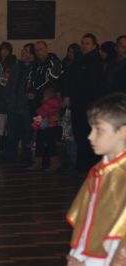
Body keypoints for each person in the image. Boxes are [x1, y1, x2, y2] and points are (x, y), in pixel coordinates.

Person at [66, 92, 126, 266]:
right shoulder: (100, 170)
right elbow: (88, 219)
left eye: (98, 130)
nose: (90, 136)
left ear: (122, 131)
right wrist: (78, 255)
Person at [63, 33, 103, 173]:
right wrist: (67, 94)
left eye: (87, 43)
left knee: (87, 136)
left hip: (88, 105)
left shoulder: (95, 62)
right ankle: (81, 166)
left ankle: (88, 167)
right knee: (79, 135)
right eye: (83, 43)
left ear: (93, 45)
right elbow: (71, 78)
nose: (84, 46)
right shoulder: (79, 60)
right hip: (77, 103)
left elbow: (91, 85)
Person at [5, 43, 36, 164]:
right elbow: (10, 84)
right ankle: (10, 157)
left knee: (27, 134)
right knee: (12, 133)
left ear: (32, 55)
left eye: (26, 51)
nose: (23, 52)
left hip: (26, 107)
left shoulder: (34, 69)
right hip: (13, 105)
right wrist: (8, 98)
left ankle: (27, 159)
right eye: (23, 50)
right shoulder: (17, 66)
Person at [30, 87, 62, 170]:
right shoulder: (55, 103)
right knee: (42, 142)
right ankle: (41, 162)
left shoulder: (47, 104)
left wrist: (34, 125)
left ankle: (52, 163)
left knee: (47, 143)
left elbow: (42, 113)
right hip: (50, 126)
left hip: (50, 127)